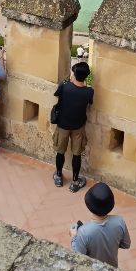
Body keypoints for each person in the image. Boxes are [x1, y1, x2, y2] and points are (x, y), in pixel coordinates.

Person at [53, 61, 94, 192]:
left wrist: (69, 81)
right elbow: (90, 102)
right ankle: (75, 182)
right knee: (76, 155)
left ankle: (59, 176)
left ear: (74, 74)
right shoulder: (89, 91)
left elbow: (57, 93)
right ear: (86, 76)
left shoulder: (65, 86)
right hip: (78, 126)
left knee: (60, 151)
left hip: (63, 125)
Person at [70, 182, 131, 268]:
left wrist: (74, 237)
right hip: (112, 270)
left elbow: (78, 257)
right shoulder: (119, 221)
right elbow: (126, 244)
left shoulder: (83, 232)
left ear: (89, 205)